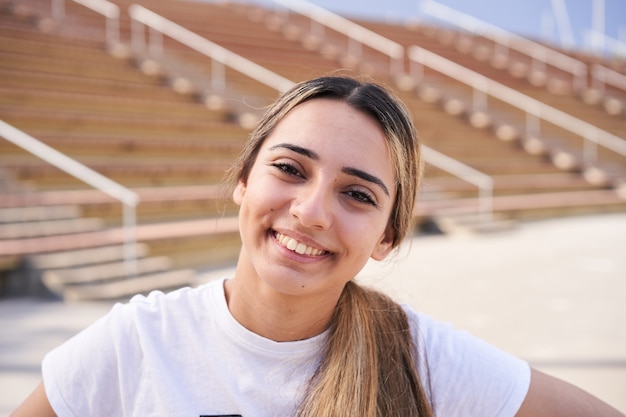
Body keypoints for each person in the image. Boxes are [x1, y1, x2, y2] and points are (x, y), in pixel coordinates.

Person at [11, 76, 624, 417]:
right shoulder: (137, 342)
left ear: (387, 236)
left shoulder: (426, 361)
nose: (310, 212)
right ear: (244, 182)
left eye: (357, 195)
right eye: (290, 169)